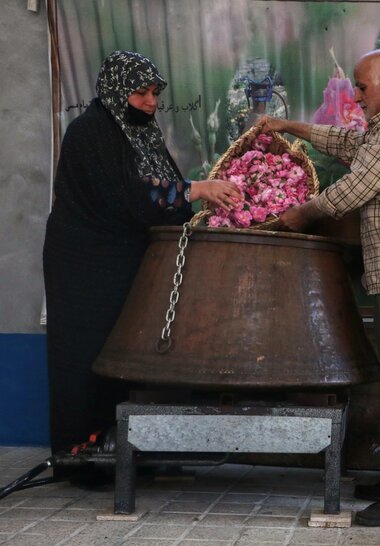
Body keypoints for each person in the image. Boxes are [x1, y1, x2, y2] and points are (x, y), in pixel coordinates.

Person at [261, 50, 380, 527]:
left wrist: (301, 213)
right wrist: (291, 129)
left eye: (363, 88)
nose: (357, 96)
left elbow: (354, 187)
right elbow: (347, 143)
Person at [43, 50, 241, 481]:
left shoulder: (142, 135)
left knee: (129, 351)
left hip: (128, 258)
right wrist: (196, 190)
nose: (151, 102)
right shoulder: (90, 133)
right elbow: (129, 197)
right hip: (86, 265)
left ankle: (137, 451)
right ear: (116, 92)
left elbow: (164, 196)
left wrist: (200, 211)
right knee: (90, 356)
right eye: (141, 93)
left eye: (154, 93)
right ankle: (86, 459)